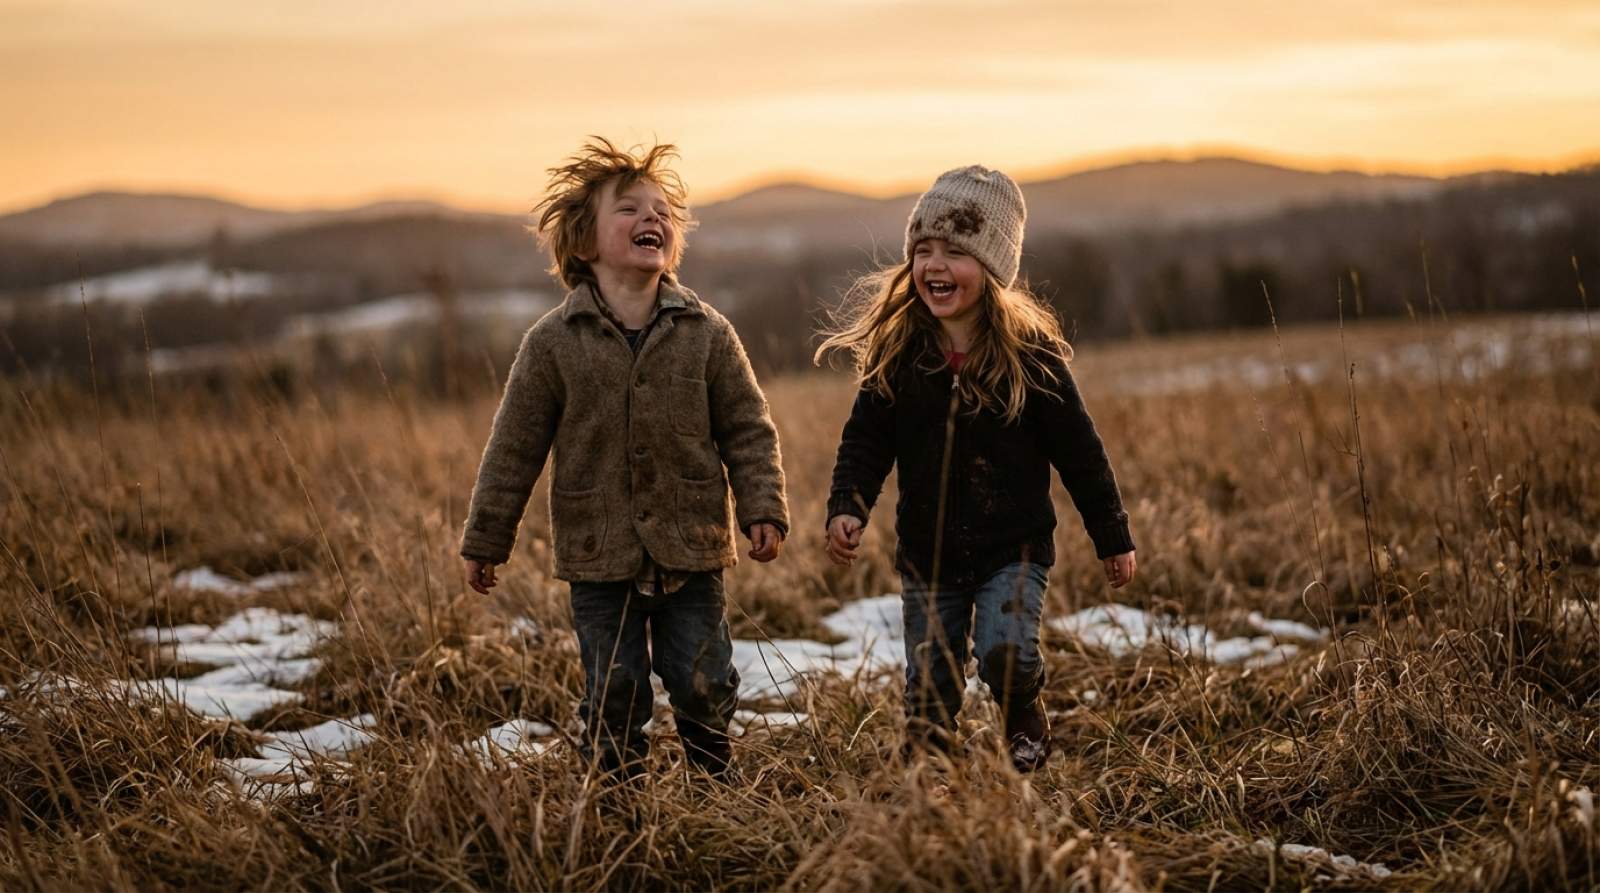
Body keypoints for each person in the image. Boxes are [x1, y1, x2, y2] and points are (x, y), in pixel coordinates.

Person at [460, 138, 788, 779]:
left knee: (702, 678)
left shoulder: (708, 333)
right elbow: (513, 448)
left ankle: (714, 780)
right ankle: (614, 794)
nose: (653, 219)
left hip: (692, 545)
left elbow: (749, 429)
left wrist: (762, 506)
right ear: (584, 243)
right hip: (597, 552)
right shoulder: (552, 343)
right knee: (614, 688)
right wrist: (486, 538)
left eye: (663, 211)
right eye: (629, 209)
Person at [817, 165, 1136, 771]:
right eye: (923, 250)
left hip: (1012, 550)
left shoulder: (1031, 361)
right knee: (930, 682)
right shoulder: (901, 356)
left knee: (1005, 652)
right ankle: (929, 772)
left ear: (992, 268)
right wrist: (847, 505)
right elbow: (864, 441)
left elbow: (1081, 453)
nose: (935, 265)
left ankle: (1023, 713)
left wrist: (1112, 536)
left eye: (956, 251)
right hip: (927, 554)